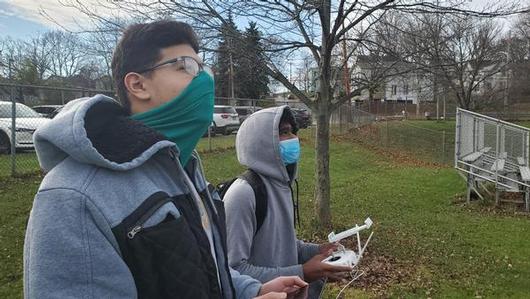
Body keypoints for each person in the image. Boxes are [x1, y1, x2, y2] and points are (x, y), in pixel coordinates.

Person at [23, 20, 306, 299]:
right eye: (185, 66)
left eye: (204, 67)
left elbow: (201, 268)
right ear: (138, 84)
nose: (205, 79)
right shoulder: (73, 197)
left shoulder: (185, 169)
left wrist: (251, 289)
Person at [223, 106, 352, 299]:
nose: (293, 138)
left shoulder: (281, 185)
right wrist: (303, 272)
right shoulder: (243, 194)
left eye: (292, 131)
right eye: (284, 132)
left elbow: (284, 245)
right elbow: (231, 271)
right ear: (262, 141)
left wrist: (317, 251)